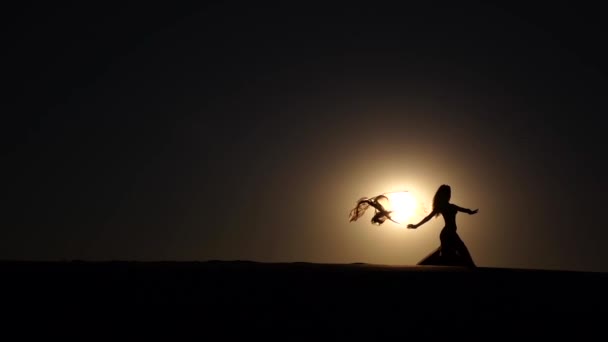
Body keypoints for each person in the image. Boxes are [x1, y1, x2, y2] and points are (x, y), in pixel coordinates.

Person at [407, 184, 478, 267]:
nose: (449, 194)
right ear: (444, 194)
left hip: (452, 233)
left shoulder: (452, 206)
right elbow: (428, 218)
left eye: (449, 192)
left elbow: (465, 210)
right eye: (448, 192)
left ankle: (470, 267)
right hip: (447, 233)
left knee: (461, 250)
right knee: (454, 252)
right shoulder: (441, 206)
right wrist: (416, 226)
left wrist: (471, 212)